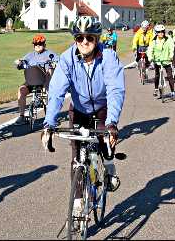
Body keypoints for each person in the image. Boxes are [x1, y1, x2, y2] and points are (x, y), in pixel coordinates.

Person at [41, 16, 125, 215]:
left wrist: (112, 122)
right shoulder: (67, 58)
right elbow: (56, 92)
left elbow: (115, 89)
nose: (84, 42)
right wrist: (49, 124)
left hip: (103, 107)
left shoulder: (108, 57)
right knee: (77, 156)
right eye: (80, 38)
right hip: (78, 109)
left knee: (106, 142)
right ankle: (78, 200)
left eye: (89, 38)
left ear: (97, 39)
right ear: (75, 40)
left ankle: (109, 165)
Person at [14, 34, 59, 125]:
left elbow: (59, 61)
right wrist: (18, 62)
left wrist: (55, 64)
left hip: (45, 81)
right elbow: (20, 62)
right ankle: (22, 116)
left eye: (40, 44)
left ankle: (51, 117)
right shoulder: (29, 55)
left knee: (50, 71)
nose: (37, 46)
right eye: (35, 44)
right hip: (32, 81)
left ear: (44, 45)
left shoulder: (50, 54)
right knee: (21, 90)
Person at [147, 24, 175, 99]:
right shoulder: (154, 41)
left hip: (167, 61)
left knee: (170, 76)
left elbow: (172, 48)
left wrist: (171, 56)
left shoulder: (168, 39)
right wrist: (150, 58)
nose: (161, 33)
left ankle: (172, 92)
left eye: (162, 31)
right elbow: (150, 50)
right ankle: (156, 89)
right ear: (156, 33)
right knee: (157, 75)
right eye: (159, 32)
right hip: (157, 61)